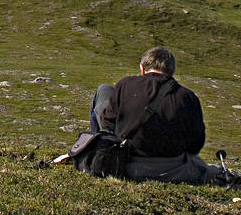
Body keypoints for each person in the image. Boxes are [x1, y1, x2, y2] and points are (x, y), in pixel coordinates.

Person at [89, 47, 217, 183]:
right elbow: (196, 144)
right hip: (173, 169)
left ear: (142, 68)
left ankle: (99, 155)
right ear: (171, 72)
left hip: (126, 163)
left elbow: (108, 124)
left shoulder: (125, 84)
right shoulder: (188, 97)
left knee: (104, 89)